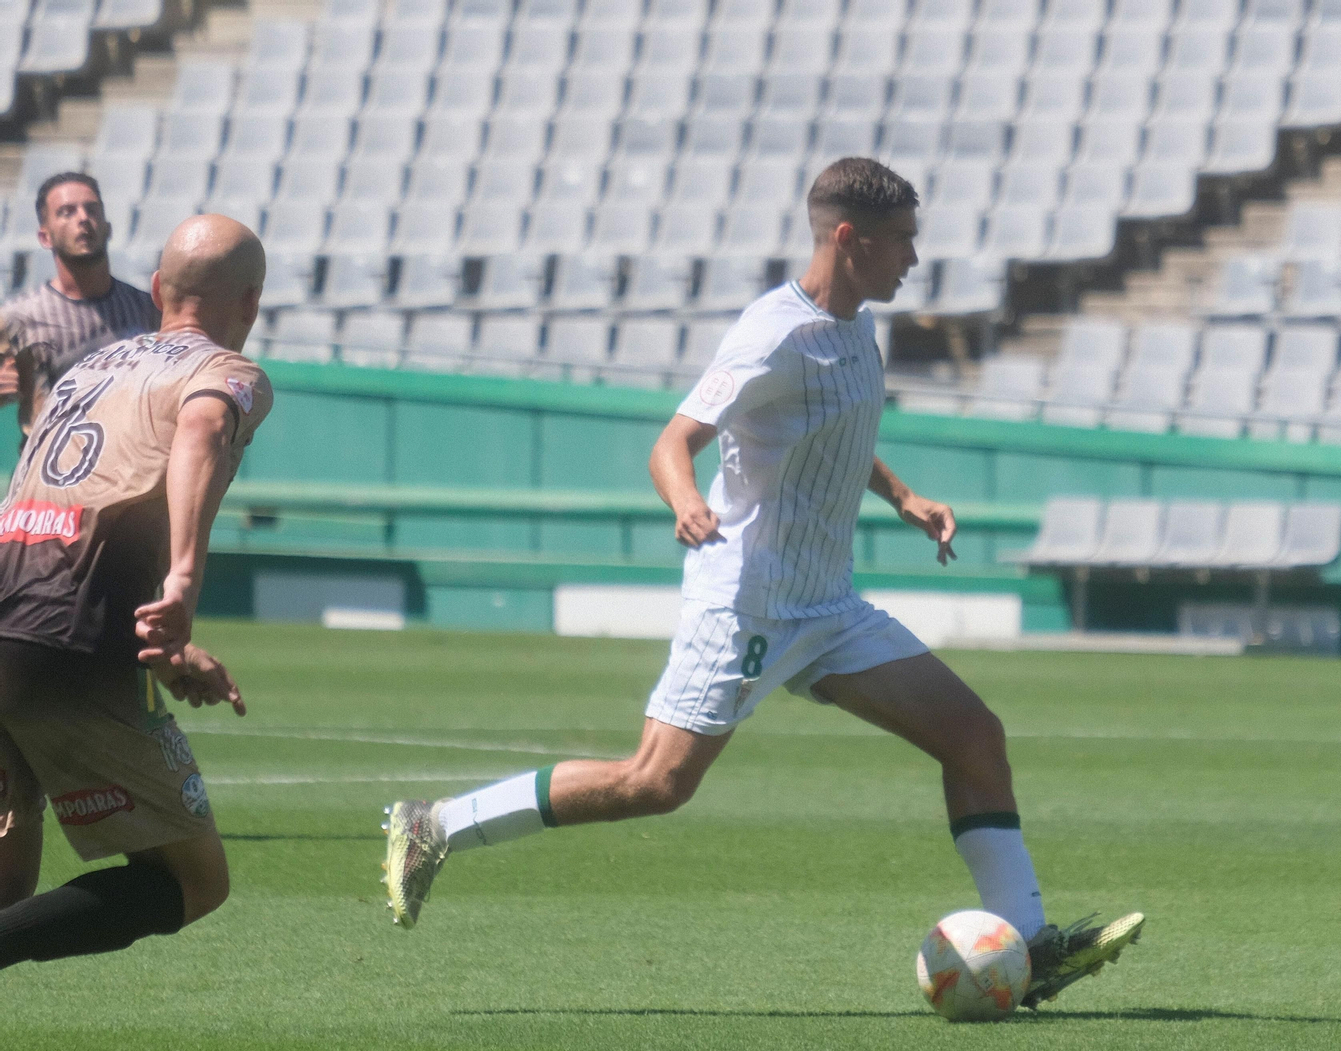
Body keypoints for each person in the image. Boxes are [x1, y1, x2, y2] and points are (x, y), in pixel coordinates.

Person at [381, 159, 1143, 1008]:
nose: (913, 261)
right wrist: (685, 504)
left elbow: (834, 428)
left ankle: (1028, 947)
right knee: (654, 783)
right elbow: (673, 442)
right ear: (848, 239)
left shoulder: (855, 325)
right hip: (745, 599)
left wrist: (902, 497)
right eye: (901, 242)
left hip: (828, 604)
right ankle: (438, 823)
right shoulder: (772, 333)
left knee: (973, 734)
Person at [0, 215, 272, 970]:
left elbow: (82, 514)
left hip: (12, 614)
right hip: (65, 642)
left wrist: (166, 646)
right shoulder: (226, 372)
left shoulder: (90, 370)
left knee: (8, 887)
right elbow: (204, 429)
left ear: (156, 289)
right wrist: (184, 579)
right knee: (194, 879)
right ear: (250, 304)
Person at [0, 171, 160, 440]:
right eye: (66, 212)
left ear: (107, 227)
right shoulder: (17, 319)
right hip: (51, 473)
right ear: (45, 237)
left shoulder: (149, 310)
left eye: (92, 209)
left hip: (130, 472)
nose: (83, 218)